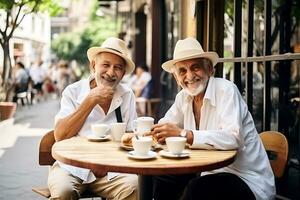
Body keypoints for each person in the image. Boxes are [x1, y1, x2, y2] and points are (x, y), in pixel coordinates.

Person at [147, 37, 275, 200]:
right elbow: (165, 126)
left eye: (195, 67)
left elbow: (233, 138)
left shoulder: (226, 90)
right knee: (163, 175)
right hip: (207, 173)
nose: (190, 75)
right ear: (176, 78)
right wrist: (148, 133)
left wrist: (184, 134)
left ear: (209, 70)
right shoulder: (183, 98)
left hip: (248, 181)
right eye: (182, 71)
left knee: (197, 189)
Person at [48, 37, 138, 200]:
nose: (111, 72)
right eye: (106, 65)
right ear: (93, 66)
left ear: (123, 74)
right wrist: (90, 100)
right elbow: (59, 135)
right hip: (71, 167)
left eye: (118, 68)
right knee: (63, 192)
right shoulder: (73, 92)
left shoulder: (127, 95)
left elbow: (131, 137)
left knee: (136, 187)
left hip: (113, 170)